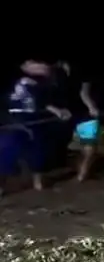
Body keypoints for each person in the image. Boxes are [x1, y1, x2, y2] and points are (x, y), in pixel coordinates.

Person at [0, 61, 71, 195]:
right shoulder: (13, 78)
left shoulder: (45, 82)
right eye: (38, 64)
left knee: (38, 152)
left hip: (35, 119)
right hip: (13, 120)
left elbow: (44, 101)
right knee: (7, 152)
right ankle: (1, 186)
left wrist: (58, 111)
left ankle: (38, 183)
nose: (44, 67)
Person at [55, 61, 102, 181]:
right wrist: (92, 107)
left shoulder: (56, 73)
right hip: (79, 113)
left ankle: (82, 172)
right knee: (89, 145)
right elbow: (84, 93)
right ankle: (82, 172)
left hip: (67, 113)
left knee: (85, 145)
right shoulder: (80, 71)